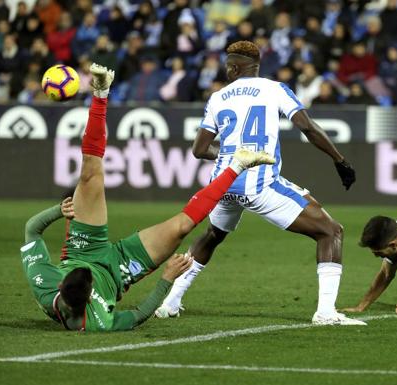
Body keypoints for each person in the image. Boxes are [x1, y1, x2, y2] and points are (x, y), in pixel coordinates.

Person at [20, 63, 275, 331]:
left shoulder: (44, 284)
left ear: (61, 284)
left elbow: (31, 231)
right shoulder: (100, 322)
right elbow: (138, 315)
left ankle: (100, 93)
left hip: (83, 249)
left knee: (89, 176)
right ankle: (238, 164)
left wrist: (59, 211)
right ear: (89, 297)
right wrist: (166, 279)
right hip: (118, 272)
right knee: (182, 227)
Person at [155, 40, 365, 326]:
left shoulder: (218, 98)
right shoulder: (274, 89)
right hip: (259, 185)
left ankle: (170, 301)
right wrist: (340, 161)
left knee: (212, 236)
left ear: (233, 67)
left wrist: (232, 157)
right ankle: (326, 312)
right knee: (331, 232)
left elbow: (199, 149)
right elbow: (307, 127)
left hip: (223, 184)